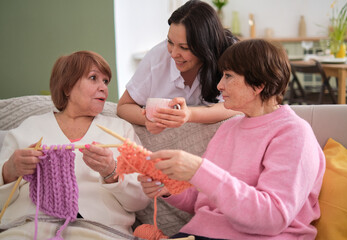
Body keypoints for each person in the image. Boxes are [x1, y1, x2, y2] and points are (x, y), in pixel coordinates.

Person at [138, 39, 326, 239]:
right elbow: (202, 200)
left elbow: (273, 217)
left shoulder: (294, 133)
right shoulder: (229, 127)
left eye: (228, 76)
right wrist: (170, 188)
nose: (219, 85)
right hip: (197, 235)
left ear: (258, 85)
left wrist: (198, 170)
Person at [0, 51, 149, 239]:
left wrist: (112, 172)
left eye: (105, 81)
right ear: (68, 87)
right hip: (28, 228)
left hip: (97, 231)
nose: (103, 87)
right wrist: (9, 171)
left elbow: (141, 200)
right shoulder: (30, 127)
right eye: (94, 78)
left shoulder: (120, 130)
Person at [117, 0, 239, 134]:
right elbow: (123, 106)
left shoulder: (230, 53)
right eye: (170, 42)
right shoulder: (157, 57)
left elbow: (239, 104)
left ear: (206, 47)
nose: (174, 54)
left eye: (184, 47)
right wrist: (148, 118)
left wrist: (190, 114)